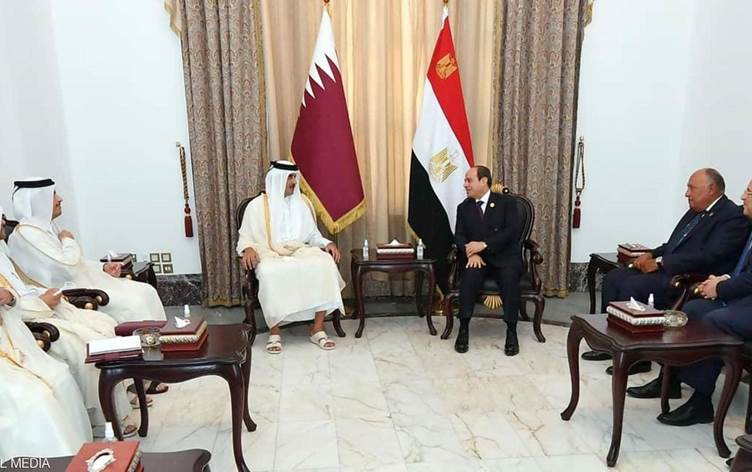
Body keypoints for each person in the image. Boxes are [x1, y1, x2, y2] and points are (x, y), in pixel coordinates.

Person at [582, 169, 750, 373]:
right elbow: (673, 244)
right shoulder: (697, 209)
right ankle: (610, 345)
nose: (687, 193)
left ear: (711, 189)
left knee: (632, 285)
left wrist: (661, 262)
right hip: (668, 267)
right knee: (614, 277)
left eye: (692, 188)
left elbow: (709, 256)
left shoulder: (732, 217)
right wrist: (651, 254)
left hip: (687, 276)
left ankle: (636, 357)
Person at [1, 205, 137, 436]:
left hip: (39, 309)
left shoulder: (3, 251)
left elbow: (24, 286)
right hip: (26, 322)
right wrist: (40, 301)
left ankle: (118, 399)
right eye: (0, 218)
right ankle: (103, 420)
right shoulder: (26, 235)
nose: (4, 222)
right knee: (84, 345)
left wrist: (42, 297)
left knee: (103, 324)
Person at [627, 179, 752, 426]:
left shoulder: (733, 220)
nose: (742, 196)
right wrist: (723, 280)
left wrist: (720, 288)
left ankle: (701, 402)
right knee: (690, 309)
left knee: (712, 320)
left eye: (749, 192)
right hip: (741, 296)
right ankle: (670, 379)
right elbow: (745, 272)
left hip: (745, 302)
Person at [7, 178, 166, 323]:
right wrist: (68, 240)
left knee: (147, 291)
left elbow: (75, 263)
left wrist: (102, 267)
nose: (60, 199)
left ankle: (165, 340)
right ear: (38, 201)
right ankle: (145, 342)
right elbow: (67, 266)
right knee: (135, 303)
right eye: (53, 194)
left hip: (86, 282)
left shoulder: (44, 228)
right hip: (71, 293)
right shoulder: (27, 234)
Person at [237, 161, 345, 354]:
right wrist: (248, 249)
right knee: (270, 271)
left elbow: (312, 235)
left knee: (325, 263)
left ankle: (317, 328)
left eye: (294, 177)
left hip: (299, 249)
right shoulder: (256, 206)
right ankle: (275, 332)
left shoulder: (302, 203)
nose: (294, 182)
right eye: (289, 178)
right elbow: (245, 236)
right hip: (269, 251)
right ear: (277, 179)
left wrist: (327, 243)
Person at [0, 299, 92, 458]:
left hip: (10, 349)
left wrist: (9, 298)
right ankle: (58, 461)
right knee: (35, 397)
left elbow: (14, 304)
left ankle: (81, 453)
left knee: (61, 378)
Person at [453, 166, 523, 356]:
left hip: (504, 257)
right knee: (469, 276)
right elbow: (459, 236)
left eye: (469, 180)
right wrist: (470, 253)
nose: (465, 184)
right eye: (465, 180)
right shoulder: (464, 207)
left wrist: (484, 245)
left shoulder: (506, 203)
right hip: (479, 260)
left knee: (509, 277)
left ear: (484, 181)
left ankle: (511, 331)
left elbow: (512, 232)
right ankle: (463, 328)